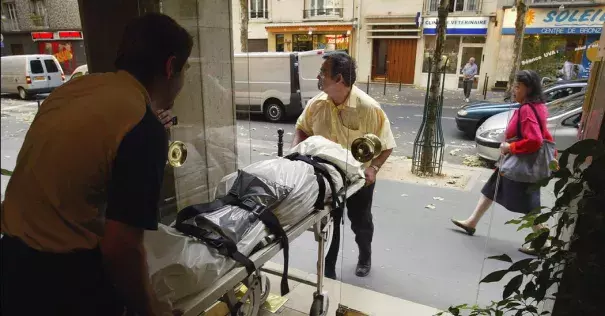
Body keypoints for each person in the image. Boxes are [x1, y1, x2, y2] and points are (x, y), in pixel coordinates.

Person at [0, 13, 192, 316]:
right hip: (62, 283)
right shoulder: (141, 127)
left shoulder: (71, 91)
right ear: (170, 68)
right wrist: (151, 311)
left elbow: (72, 171)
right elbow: (121, 249)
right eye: (186, 69)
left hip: (11, 263)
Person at [292, 52, 396, 278]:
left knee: (360, 222)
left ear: (339, 78)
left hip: (359, 180)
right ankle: (329, 267)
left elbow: (387, 145)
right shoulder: (317, 104)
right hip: (327, 179)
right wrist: (297, 154)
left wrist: (373, 168)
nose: (319, 76)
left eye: (323, 73)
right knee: (329, 221)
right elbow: (302, 128)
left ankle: (364, 255)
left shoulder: (368, 108)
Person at [451, 70, 552, 255]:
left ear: (528, 89)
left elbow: (535, 140)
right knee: (492, 188)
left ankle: (543, 239)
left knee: (529, 205)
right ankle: (472, 222)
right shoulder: (539, 106)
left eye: (518, 86)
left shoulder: (527, 109)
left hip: (520, 166)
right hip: (516, 163)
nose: (514, 90)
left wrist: (510, 147)